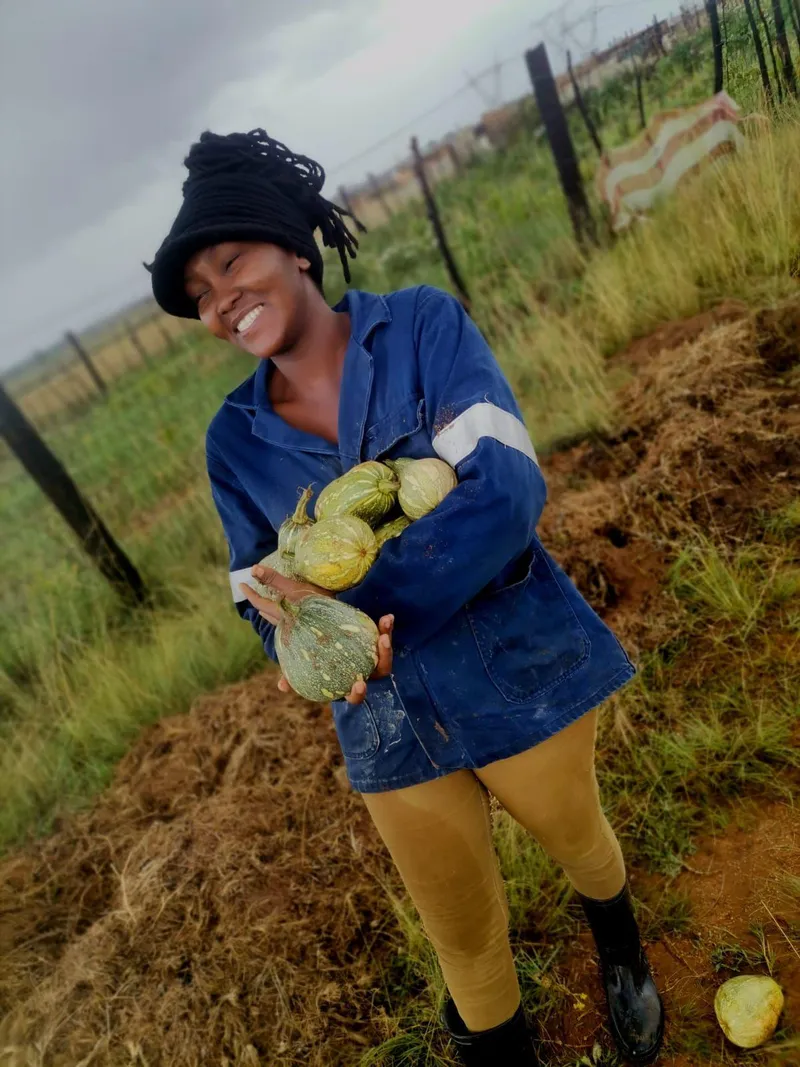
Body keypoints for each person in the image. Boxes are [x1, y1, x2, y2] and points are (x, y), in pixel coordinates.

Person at [148, 129, 664, 1066]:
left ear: (296, 247)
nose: (221, 301)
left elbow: (505, 487)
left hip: (517, 659)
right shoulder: (235, 441)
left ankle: (623, 953)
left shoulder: (422, 325)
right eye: (201, 296)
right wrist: (302, 646)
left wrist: (368, 607)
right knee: (460, 931)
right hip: (386, 716)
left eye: (233, 264)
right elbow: (255, 592)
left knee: (579, 838)